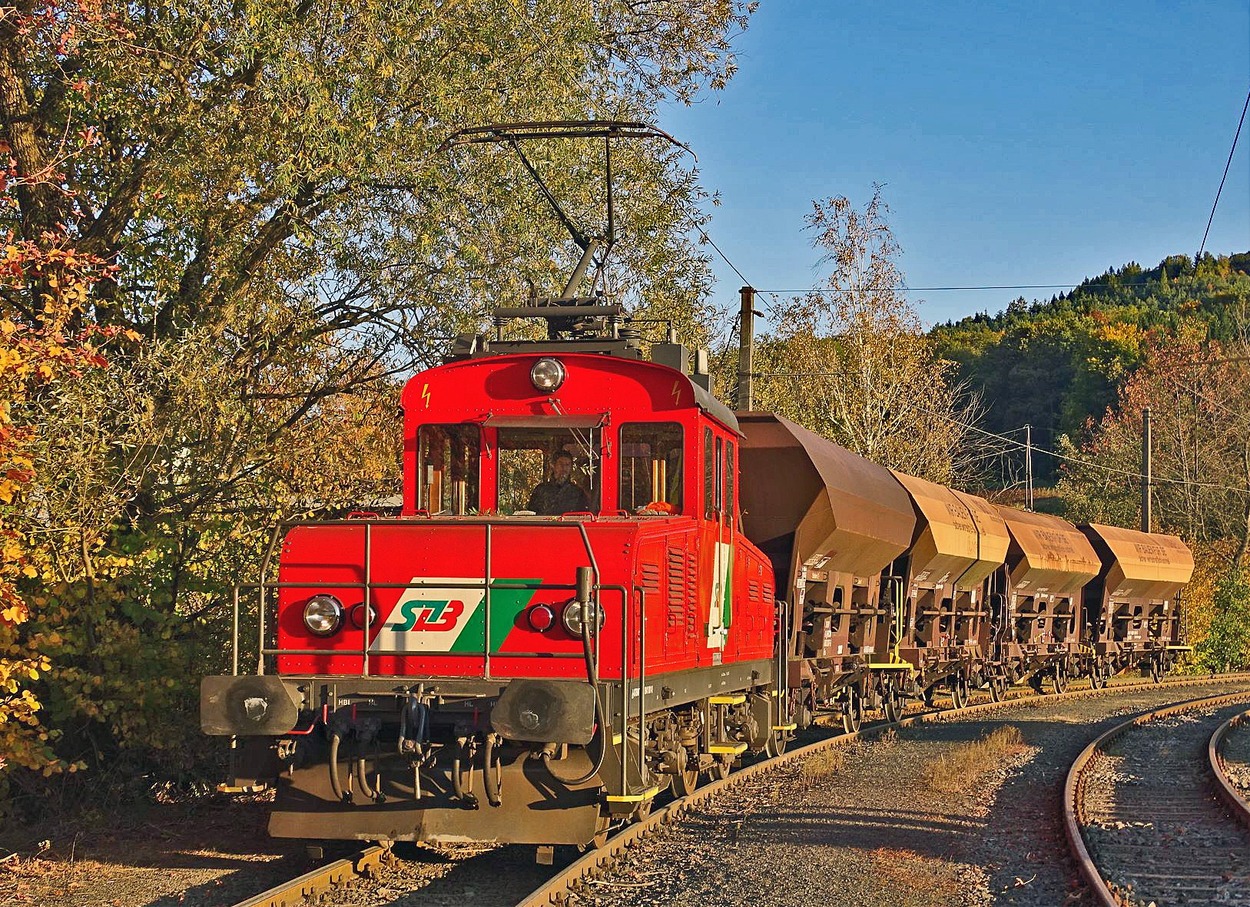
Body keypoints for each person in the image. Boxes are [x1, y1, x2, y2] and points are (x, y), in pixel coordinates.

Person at [526, 450, 590, 515]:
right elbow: (531, 514)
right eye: (561, 464)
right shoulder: (540, 490)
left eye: (567, 465)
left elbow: (583, 516)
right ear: (553, 465)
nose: (564, 468)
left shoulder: (578, 493)